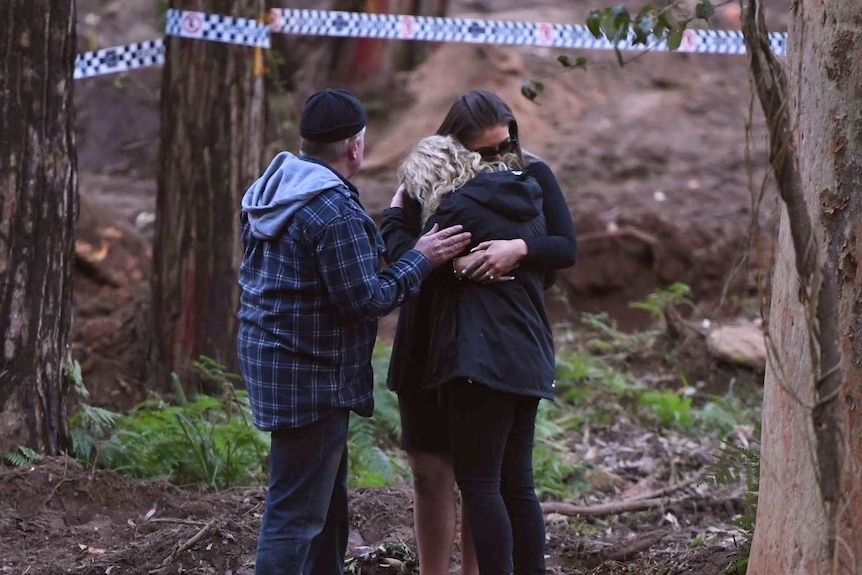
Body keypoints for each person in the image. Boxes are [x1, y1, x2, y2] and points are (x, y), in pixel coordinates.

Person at [237, 88, 472, 575]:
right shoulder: (335, 212)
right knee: (296, 515)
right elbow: (366, 299)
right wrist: (421, 258)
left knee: (325, 503)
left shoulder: (272, 189)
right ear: (355, 147)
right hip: (312, 377)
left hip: (274, 363)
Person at [380, 90, 577, 575]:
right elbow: (407, 254)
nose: (500, 157)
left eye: (506, 144)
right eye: (486, 150)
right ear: (455, 146)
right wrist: (451, 264)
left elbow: (564, 247)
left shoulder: (530, 176)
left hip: (481, 340)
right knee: (439, 474)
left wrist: (518, 249)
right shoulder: (432, 180)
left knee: (483, 480)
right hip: (429, 337)